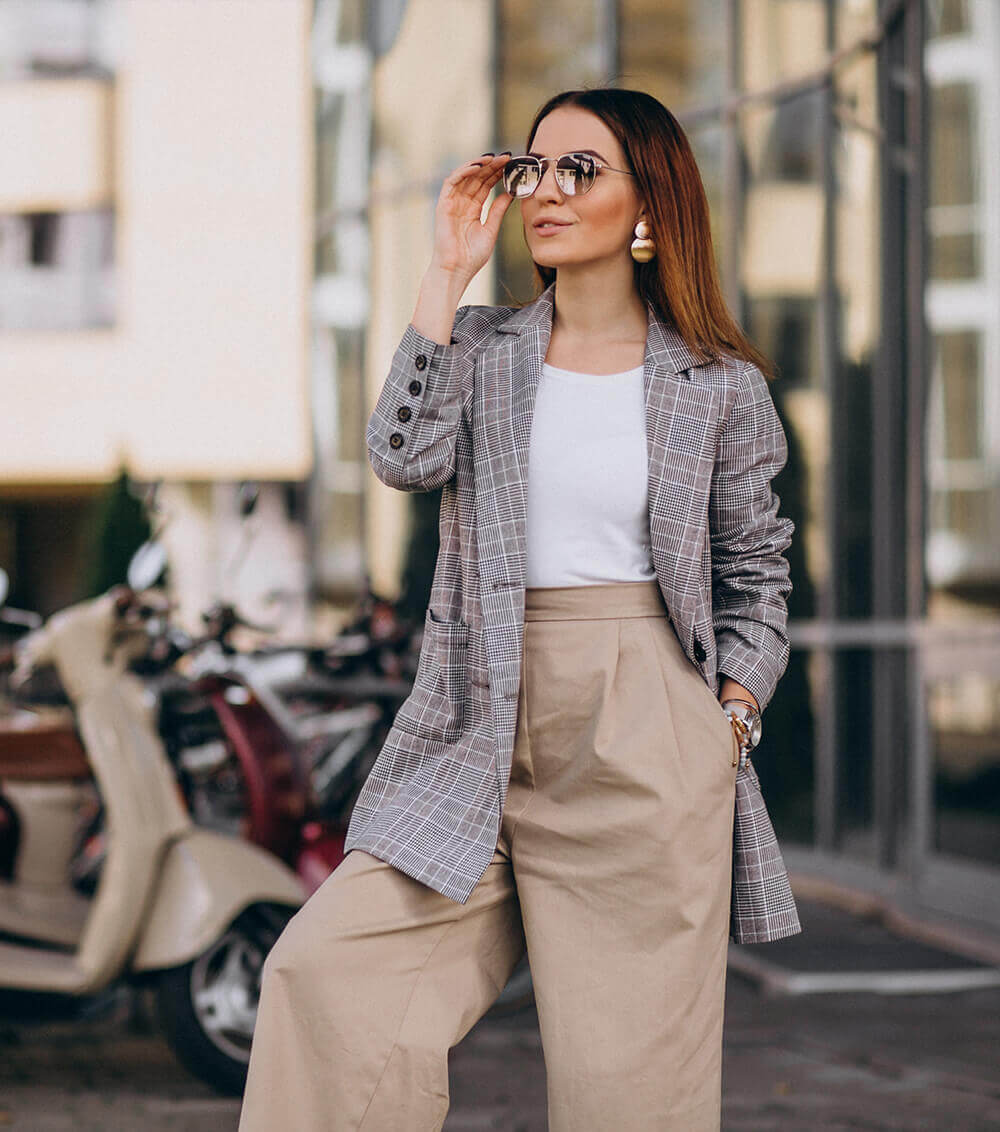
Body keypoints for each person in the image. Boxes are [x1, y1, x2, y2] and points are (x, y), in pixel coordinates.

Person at [238, 87, 796, 1132]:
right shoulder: (484, 349)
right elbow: (401, 456)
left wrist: (727, 719)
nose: (547, 190)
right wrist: (445, 272)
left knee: (629, 1094)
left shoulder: (718, 385)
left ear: (650, 205)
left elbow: (756, 573)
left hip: (647, 735)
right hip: (476, 720)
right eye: (535, 166)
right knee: (325, 978)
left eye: (582, 169)